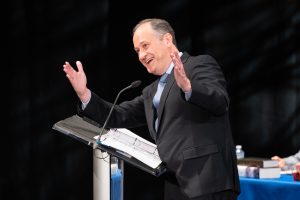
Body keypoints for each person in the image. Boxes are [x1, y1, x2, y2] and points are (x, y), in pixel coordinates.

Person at [63, 18, 240, 200]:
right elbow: (118, 115)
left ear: (167, 40)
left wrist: (188, 87)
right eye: (138, 51)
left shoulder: (198, 64)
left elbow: (220, 101)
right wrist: (84, 94)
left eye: (145, 45)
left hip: (207, 181)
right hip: (174, 184)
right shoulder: (151, 91)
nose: (141, 55)